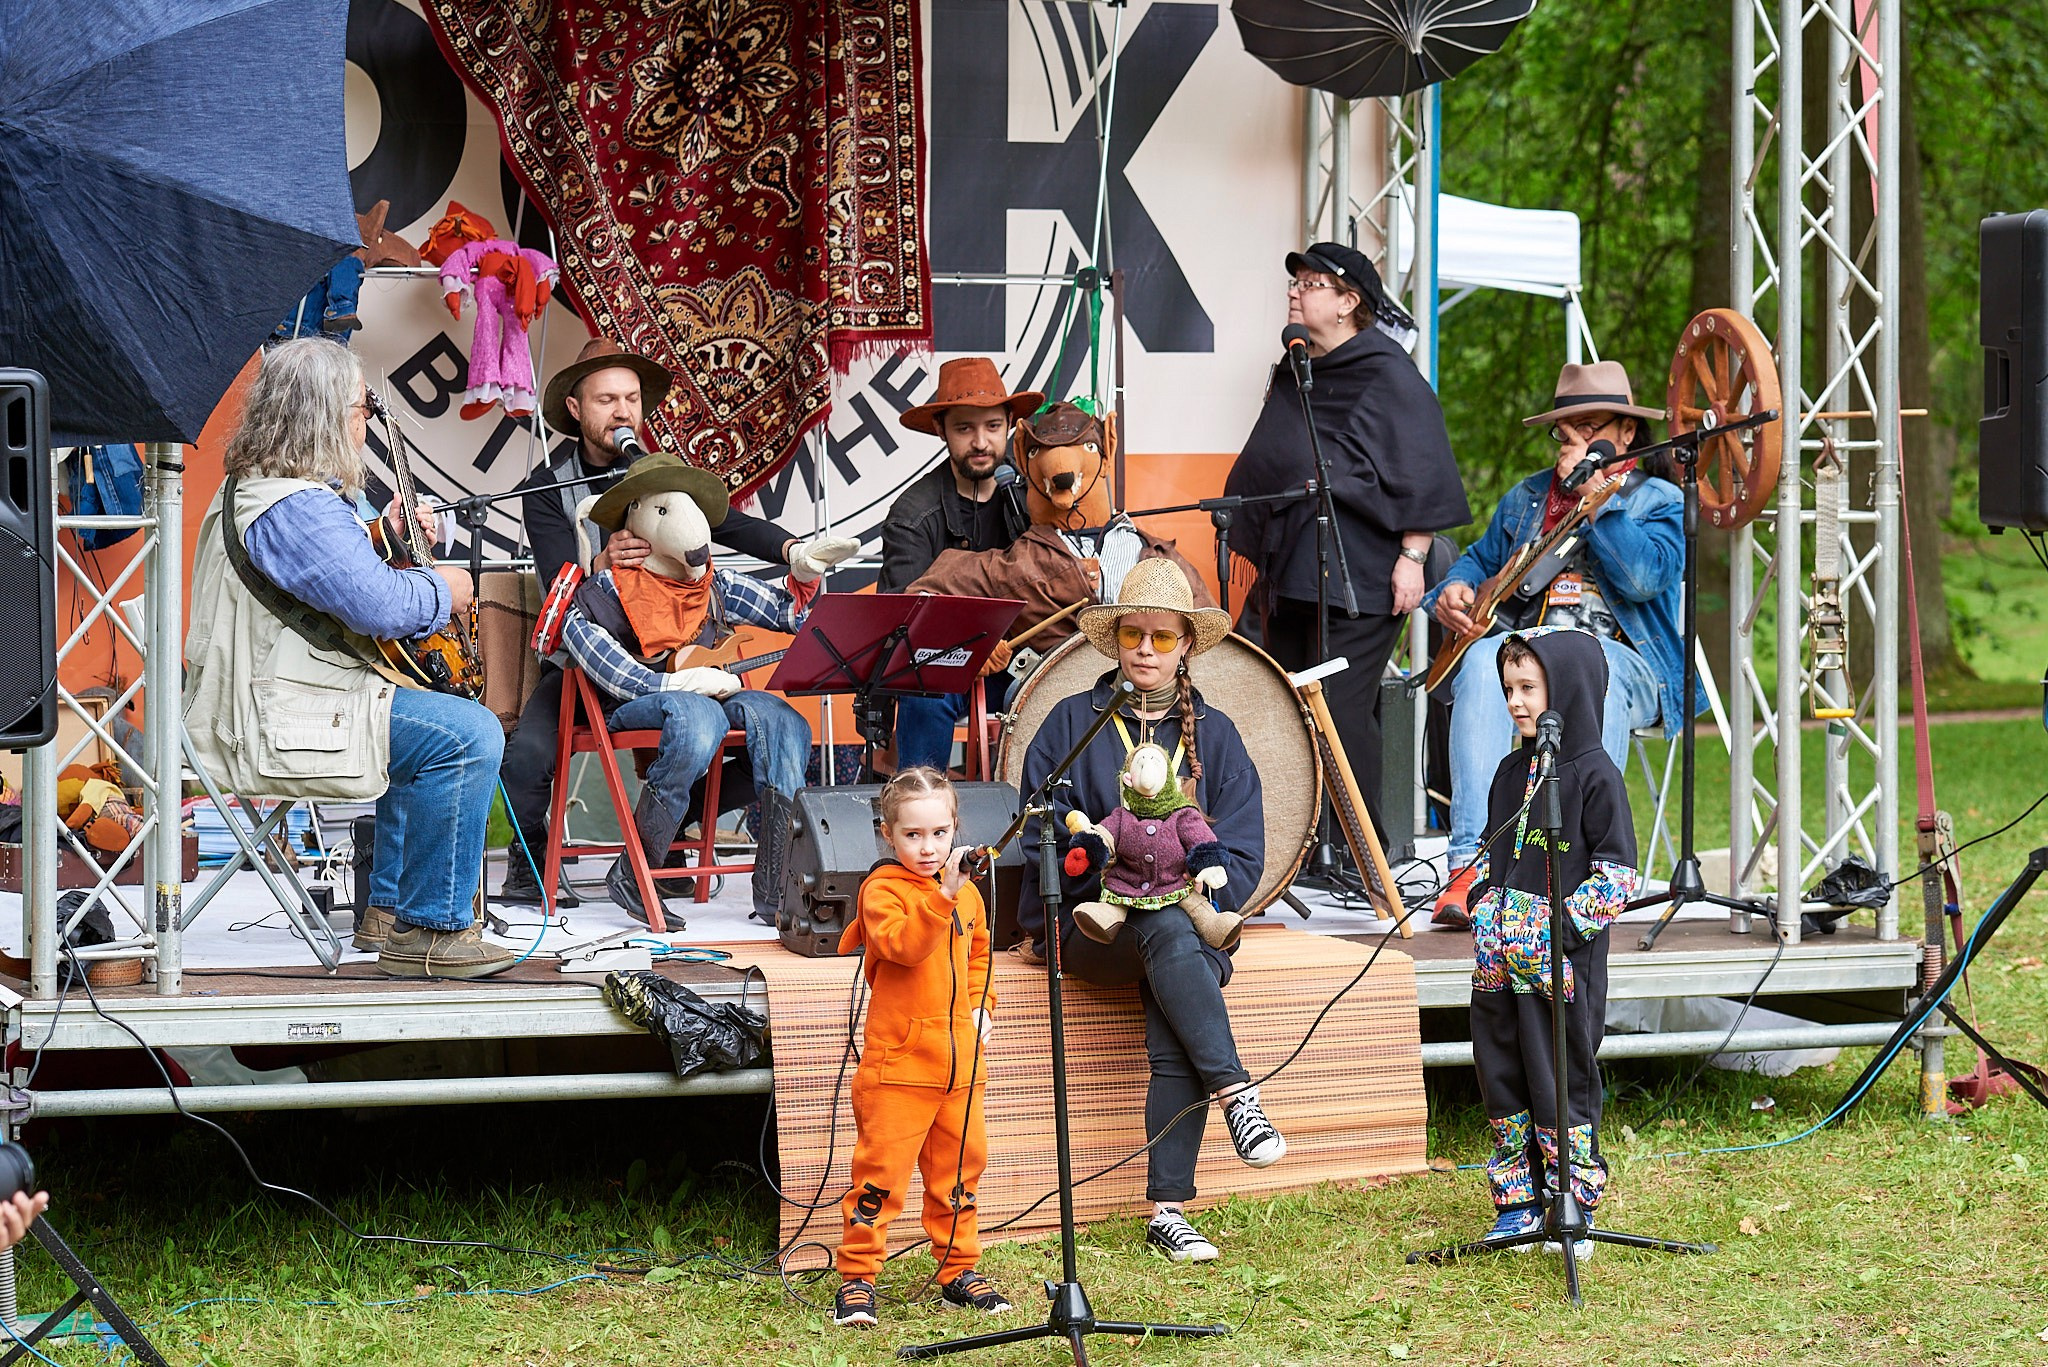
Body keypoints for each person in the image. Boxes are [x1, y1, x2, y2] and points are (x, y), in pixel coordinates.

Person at [185, 337, 515, 978]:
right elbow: (379, 607)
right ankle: (437, 932)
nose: (366, 420)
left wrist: (388, 536)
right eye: (360, 407)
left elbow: (335, 579)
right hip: (267, 723)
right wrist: (443, 589)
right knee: (468, 734)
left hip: (272, 703)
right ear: (322, 414)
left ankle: (393, 911)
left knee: (431, 724)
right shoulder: (296, 507)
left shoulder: (263, 491)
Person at [497, 337, 856, 904]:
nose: (622, 412)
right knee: (529, 753)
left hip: (678, 657)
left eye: (632, 399)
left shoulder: (654, 469)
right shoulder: (549, 484)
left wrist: (793, 554)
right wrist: (599, 562)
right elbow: (554, 582)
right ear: (576, 408)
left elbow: (724, 524)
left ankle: (680, 837)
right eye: (607, 399)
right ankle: (529, 859)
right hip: (593, 656)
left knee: (771, 727)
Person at [1015, 559, 1281, 1264]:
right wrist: (1098, 852)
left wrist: (1178, 886)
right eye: (1133, 633)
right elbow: (1034, 824)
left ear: (1187, 644)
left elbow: (1243, 860)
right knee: (1164, 932)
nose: (1145, 648)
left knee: (1172, 945)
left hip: (1183, 927)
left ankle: (1168, 1211)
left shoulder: (1215, 736)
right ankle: (1238, 1091)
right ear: (1114, 640)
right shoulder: (1074, 722)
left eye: (1163, 638)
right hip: (1092, 926)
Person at [1422, 361, 1700, 928]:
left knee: (1595, 668)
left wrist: (1599, 500)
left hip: (1624, 660)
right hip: (1531, 656)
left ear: (1625, 432)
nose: (1573, 442)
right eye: (1564, 430)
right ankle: (1469, 868)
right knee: (1479, 659)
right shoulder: (1527, 497)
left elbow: (1644, 579)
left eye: (1591, 427)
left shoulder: (1660, 500)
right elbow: (1479, 562)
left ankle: (1586, 870)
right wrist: (1454, 588)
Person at [1225, 241, 1470, 847]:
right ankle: (1296, 848)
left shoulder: (1388, 373)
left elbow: (1423, 470)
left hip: (1360, 575)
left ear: (1347, 302)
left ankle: (1368, 852)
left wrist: (1414, 558)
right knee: (1282, 703)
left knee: (1338, 707)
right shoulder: (1297, 368)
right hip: (1292, 572)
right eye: (1295, 282)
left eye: (1309, 283)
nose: (1294, 290)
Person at [555, 453, 814, 928]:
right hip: (639, 703)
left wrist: (806, 575)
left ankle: (776, 888)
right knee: (700, 719)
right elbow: (599, 659)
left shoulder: (714, 585)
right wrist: (672, 682)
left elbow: (789, 615)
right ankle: (636, 872)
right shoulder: (606, 589)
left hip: (710, 692)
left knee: (785, 723)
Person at [1465, 629, 1640, 1258]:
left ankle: (1571, 1200)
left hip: (1561, 965)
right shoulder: (1511, 773)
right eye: (1508, 689)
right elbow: (1491, 859)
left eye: (1528, 689)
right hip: (1497, 965)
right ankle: (1517, 1203)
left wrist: (1556, 928)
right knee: (1503, 1070)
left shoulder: (1596, 777)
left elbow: (1619, 873)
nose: (1515, 702)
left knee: (1559, 1074)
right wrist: (1485, 906)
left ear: (1564, 691)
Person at [833, 767, 1013, 1329]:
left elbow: (980, 956)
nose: (928, 847)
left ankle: (958, 1269)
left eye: (940, 833)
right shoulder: (882, 891)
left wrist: (984, 1006)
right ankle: (858, 1278)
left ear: (957, 829)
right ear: (889, 834)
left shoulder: (971, 897)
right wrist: (945, 895)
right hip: (900, 1068)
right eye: (913, 835)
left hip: (961, 1067)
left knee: (959, 1174)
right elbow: (906, 947)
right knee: (880, 1176)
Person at [878, 357, 1039, 771]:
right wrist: (969, 649)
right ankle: (920, 809)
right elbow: (900, 626)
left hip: (1021, 656)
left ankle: (1046, 821)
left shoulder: (1030, 497)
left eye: (992, 427)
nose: (981, 442)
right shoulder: (913, 513)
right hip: (941, 664)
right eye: (965, 428)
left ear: (1010, 425)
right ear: (941, 430)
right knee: (923, 685)